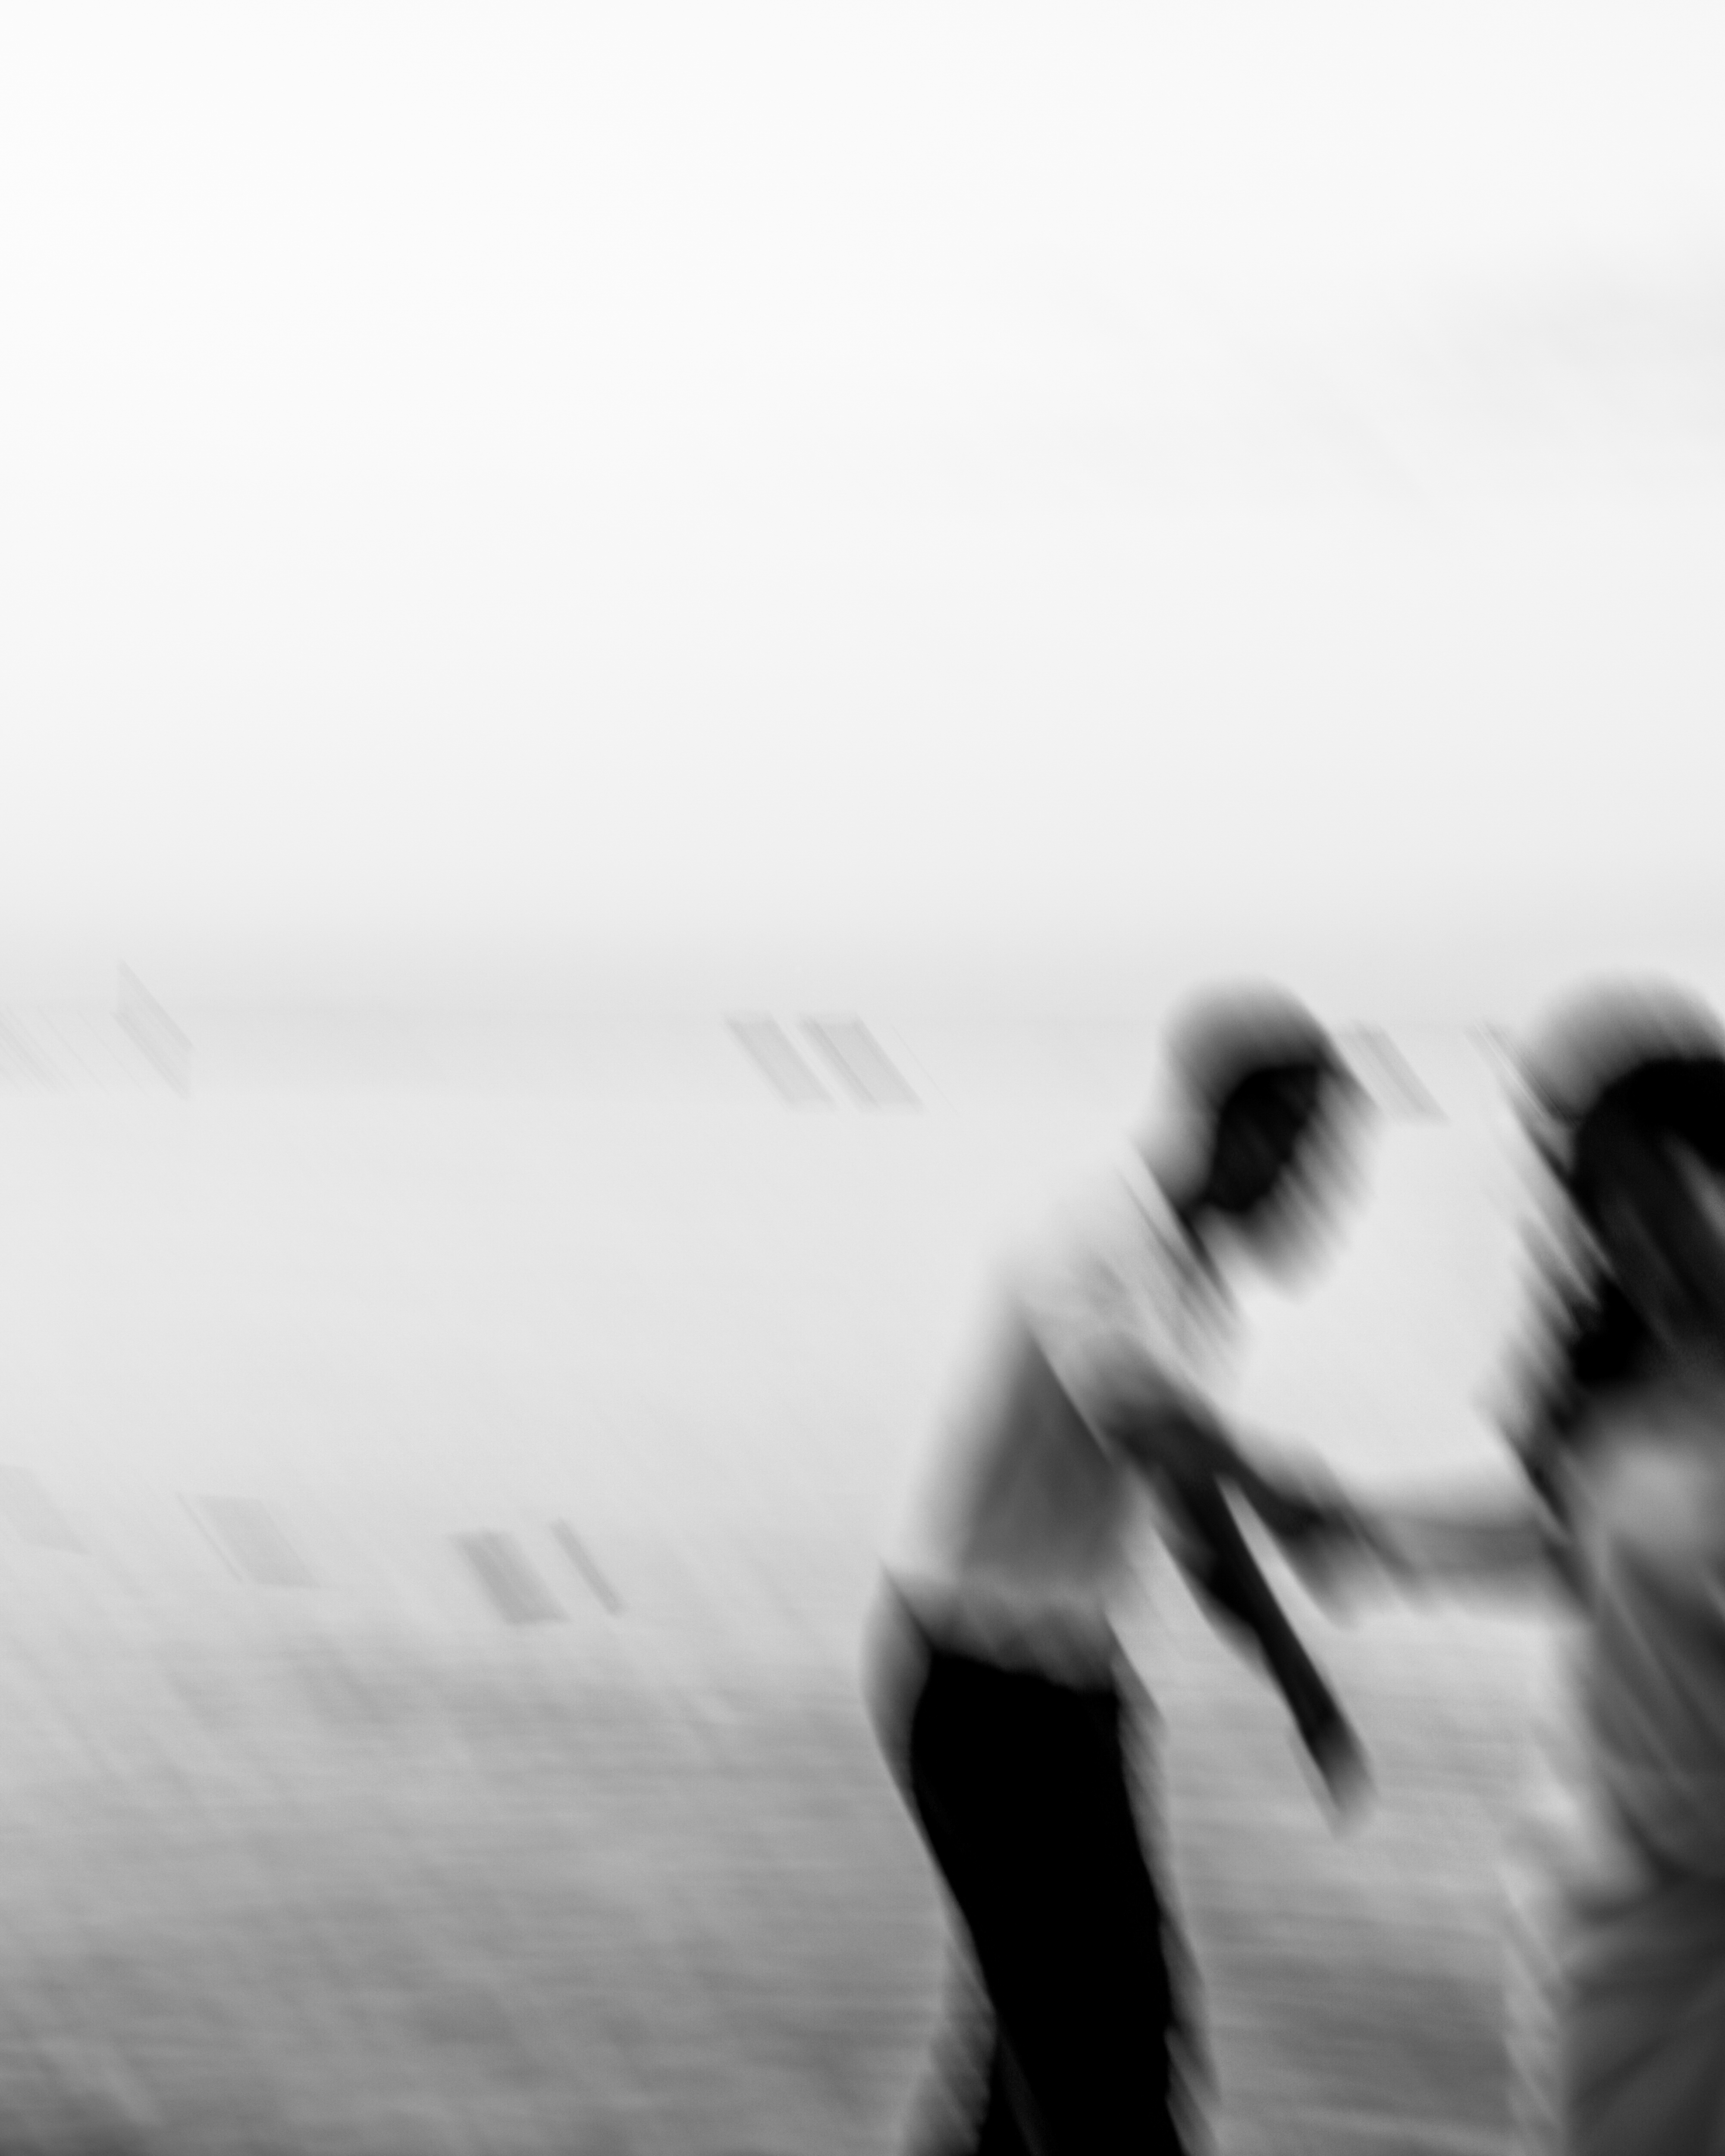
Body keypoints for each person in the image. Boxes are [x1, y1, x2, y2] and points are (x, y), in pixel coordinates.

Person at [862, 983, 1375, 2156]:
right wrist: (1276, 1480)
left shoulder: (1193, 1283)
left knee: (1037, 2063)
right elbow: (1142, 1416)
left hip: (1067, 1694)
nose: (1319, 1192)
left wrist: (1298, 1677)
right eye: (1305, 1152)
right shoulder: (1096, 1241)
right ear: (1235, 1128)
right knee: (1108, 2069)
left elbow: (1191, 1512)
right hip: (980, 1691)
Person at [1353, 980, 1725, 2156]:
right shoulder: (1625, 1375)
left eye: (1667, 1194)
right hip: (1617, 1893)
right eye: (1606, 1203)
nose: (1639, 1236)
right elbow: (1580, 1554)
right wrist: (1380, 1537)